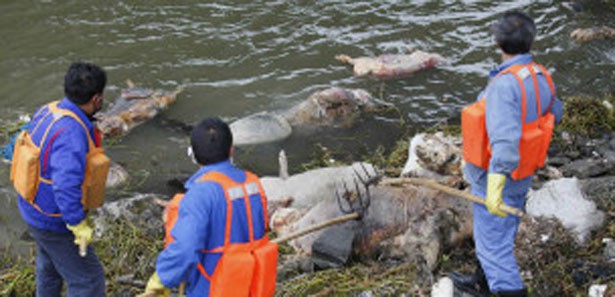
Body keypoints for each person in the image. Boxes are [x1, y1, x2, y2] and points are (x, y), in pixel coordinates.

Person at [454, 11, 564, 297]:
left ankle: (505, 289)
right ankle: (482, 283)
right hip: (523, 173)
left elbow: (505, 143)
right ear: (532, 40)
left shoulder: (504, 85)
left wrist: (495, 185)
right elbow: (556, 112)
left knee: (495, 249)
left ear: (497, 42)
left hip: (498, 174)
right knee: (496, 235)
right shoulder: (540, 75)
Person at [142, 117, 276, 297]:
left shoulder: (199, 195)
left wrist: (162, 278)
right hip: (252, 286)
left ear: (193, 156)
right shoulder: (253, 184)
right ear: (231, 150)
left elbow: (185, 250)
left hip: (215, 287)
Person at [16, 62, 107, 296]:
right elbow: (65, 186)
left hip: (32, 209)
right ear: (97, 99)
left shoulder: (49, 110)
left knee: (49, 267)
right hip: (54, 221)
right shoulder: (71, 134)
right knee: (89, 280)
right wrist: (77, 224)